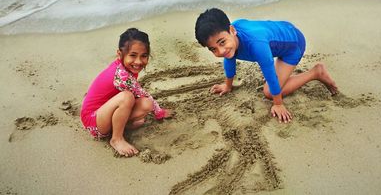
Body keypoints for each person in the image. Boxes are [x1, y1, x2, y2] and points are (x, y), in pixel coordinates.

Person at [195, 8, 338, 123]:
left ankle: (316, 72)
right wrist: (227, 85)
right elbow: (229, 60)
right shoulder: (231, 39)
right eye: (213, 49)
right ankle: (312, 72)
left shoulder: (256, 45)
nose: (220, 51)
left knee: (269, 92)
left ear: (232, 31)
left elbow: (269, 73)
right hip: (282, 29)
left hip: (293, 44)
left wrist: (278, 103)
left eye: (222, 42)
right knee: (230, 53)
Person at [81, 28, 171, 157]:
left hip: (104, 112)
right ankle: (116, 139)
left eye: (144, 56)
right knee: (127, 97)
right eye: (133, 55)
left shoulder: (124, 67)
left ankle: (122, 125)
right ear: (120, 54)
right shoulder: (121, 75)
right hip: (93, 122)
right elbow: (143, 93)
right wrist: (159, 113)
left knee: (146, 104)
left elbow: (144, 99)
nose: (139, 61)